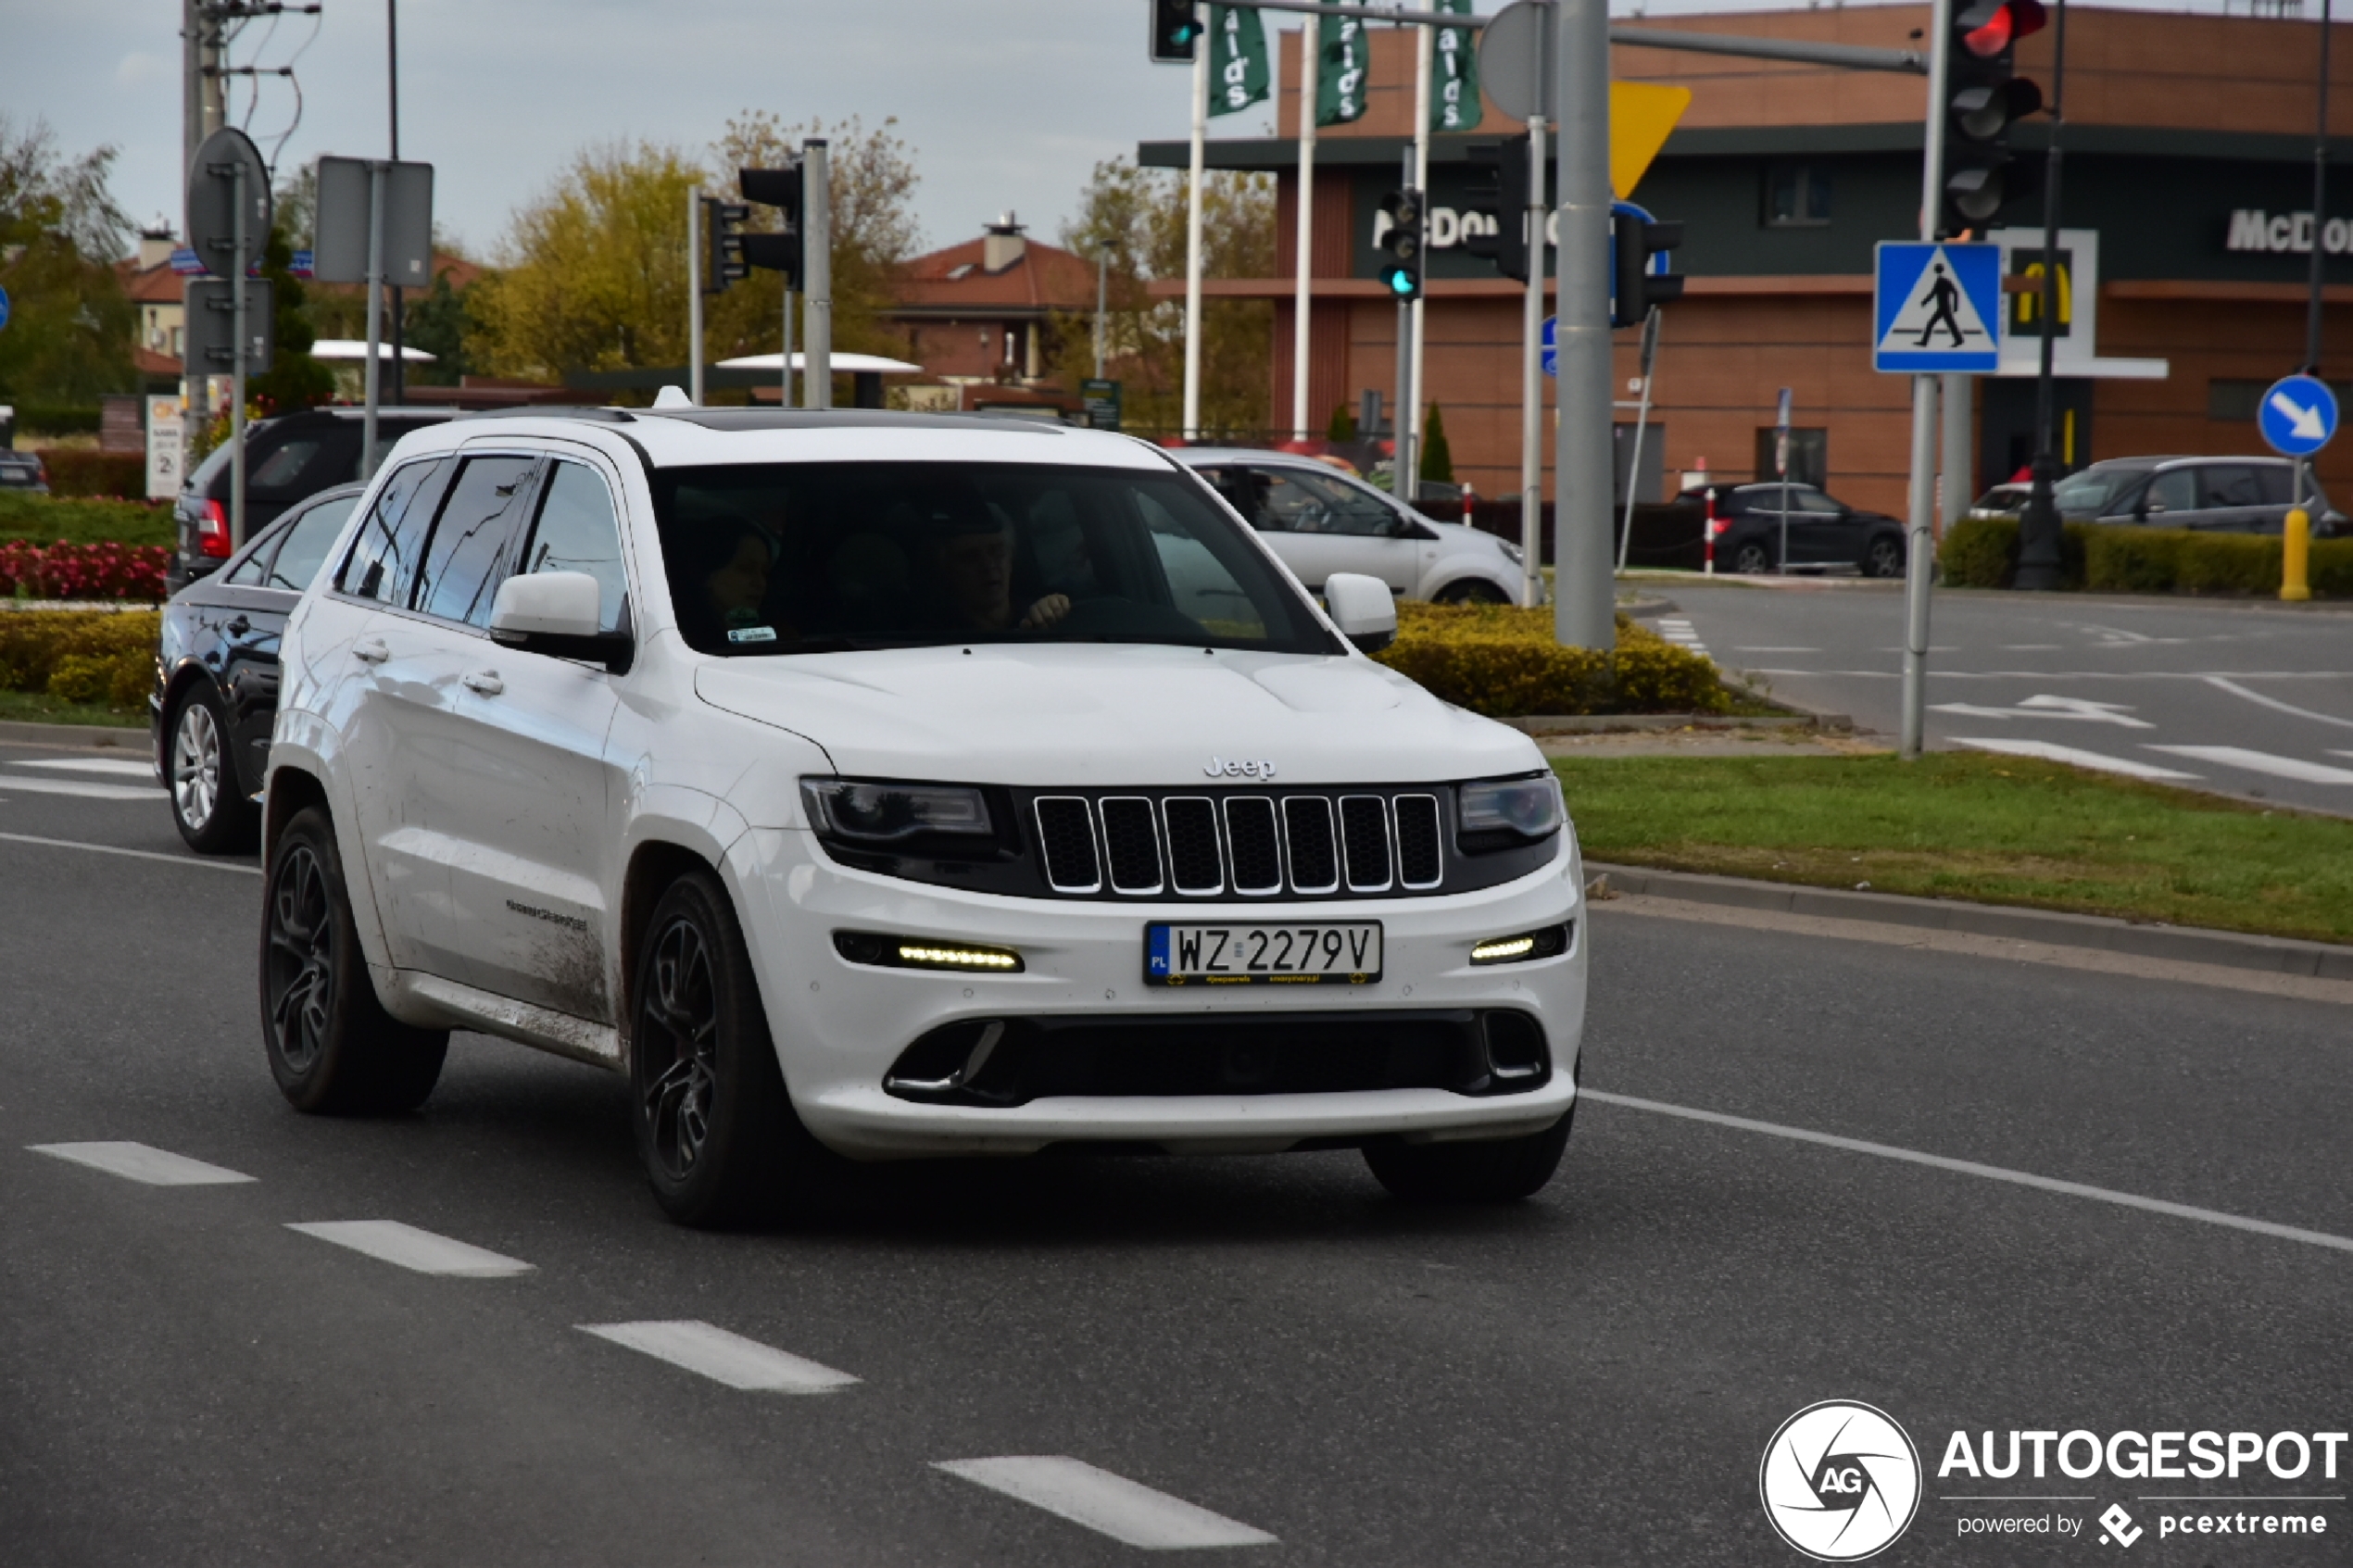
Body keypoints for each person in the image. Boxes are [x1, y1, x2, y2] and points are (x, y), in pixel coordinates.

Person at [908, 482, 1070, 633]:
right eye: (970, 557)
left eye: (997, 552)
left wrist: (1056, 610)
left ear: (1011, 557)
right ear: (946, 568)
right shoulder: (931, 635)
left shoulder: (1042, 615)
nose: (988, 565)